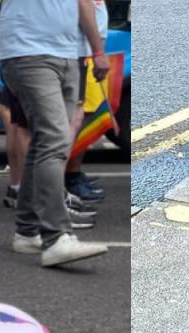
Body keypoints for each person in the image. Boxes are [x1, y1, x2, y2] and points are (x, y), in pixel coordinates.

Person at [0, 0, 110, 267]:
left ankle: (27, 231)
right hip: (28, 52)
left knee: (44, 142)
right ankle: (56, 236)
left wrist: (97, 50)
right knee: (54, 139)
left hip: (69, 52)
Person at [64, 0, 109, 203]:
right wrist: (98, 52)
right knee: (78, 118)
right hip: (82, 52)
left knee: (82, 117)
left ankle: (72, 174)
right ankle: (69, 178)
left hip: (86, 51)